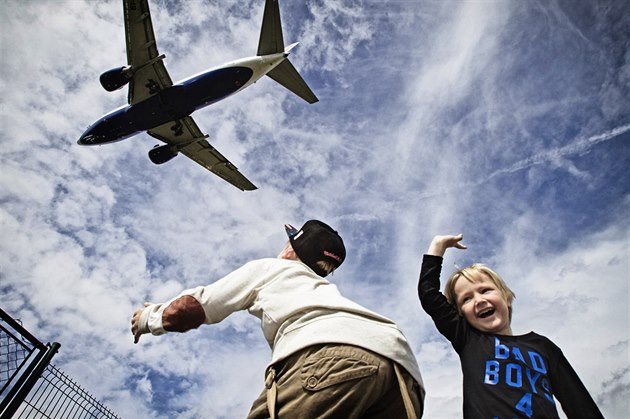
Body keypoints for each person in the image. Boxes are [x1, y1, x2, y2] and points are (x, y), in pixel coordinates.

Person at [132, 220, 424, 419]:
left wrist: (149, 317)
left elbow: (191, 309)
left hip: (333, 356)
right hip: (404, 374)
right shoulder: (326, 293)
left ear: (290, 250)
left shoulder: (272, 269)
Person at [417, 233, 603, 418]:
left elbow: (580, 404)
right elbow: (429, 294)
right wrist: (438, 246)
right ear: (460, 314)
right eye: (466, 299)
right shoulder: (468, 339)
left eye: (485, 290)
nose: (479, 300)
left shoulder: (543, 347)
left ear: (506, 297)